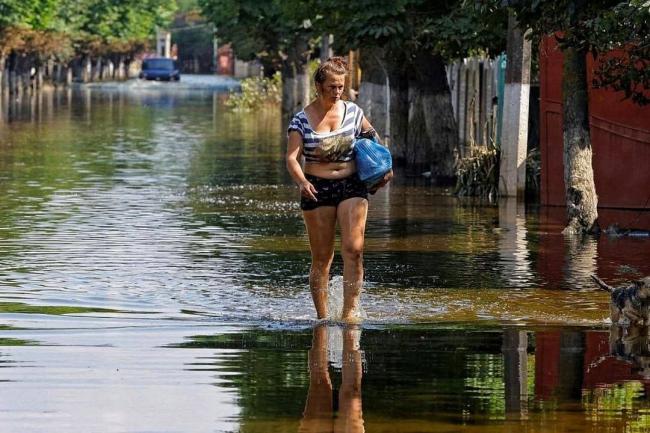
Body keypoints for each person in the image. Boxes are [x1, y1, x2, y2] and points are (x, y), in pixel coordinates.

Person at [286, 56, 392, 322]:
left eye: (341, 87)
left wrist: (382, 168)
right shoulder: (301, 120)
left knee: (354, 249)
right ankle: (322, 318)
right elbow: (291, 158)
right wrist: (302, 182)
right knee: (322, 258)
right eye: (332, 86)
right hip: (316, 188)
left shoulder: (354, 112)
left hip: (351, 185)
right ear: (319, 86)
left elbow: (372, 141)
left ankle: (348, 315)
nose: (337, 92)